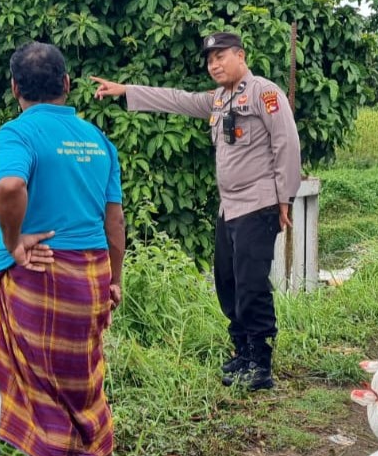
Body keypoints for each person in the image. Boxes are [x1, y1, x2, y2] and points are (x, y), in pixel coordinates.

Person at [90, 32, 301, 391]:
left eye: (221, 57)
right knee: (227, 282)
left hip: (259, 204)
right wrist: (126, 90)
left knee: (252, 285)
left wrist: (285, 198)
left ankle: (261, 364)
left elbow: (287, 142)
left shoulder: (264, 93)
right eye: (209, 60)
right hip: (229, 207)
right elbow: (177, 99)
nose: (214, 65)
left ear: (241, 55)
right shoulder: (218, 99)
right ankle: (243, 352)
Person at [0, 41, 126, 456]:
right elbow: (115, 223)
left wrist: (13, 243)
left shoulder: (16, 132)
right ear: (67, 85)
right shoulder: (96, 139)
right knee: (87, 381)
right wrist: (114, 279)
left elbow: (8, 188)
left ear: (15, 88)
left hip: (42, 275)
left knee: (46, 392)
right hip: (89, 273)